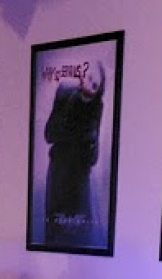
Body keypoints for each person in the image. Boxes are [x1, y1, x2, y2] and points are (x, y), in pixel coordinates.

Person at [42, 60, 106, 247]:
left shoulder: (96, 107)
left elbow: (93, 158)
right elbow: (49, 134)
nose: (89, 85)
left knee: (80, 238)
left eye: (95, 85)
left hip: (79, 179)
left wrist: (91, 140)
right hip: (59, 174)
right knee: (55, 235)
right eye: (89, 78)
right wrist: (77, 132)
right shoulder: (65, 93)